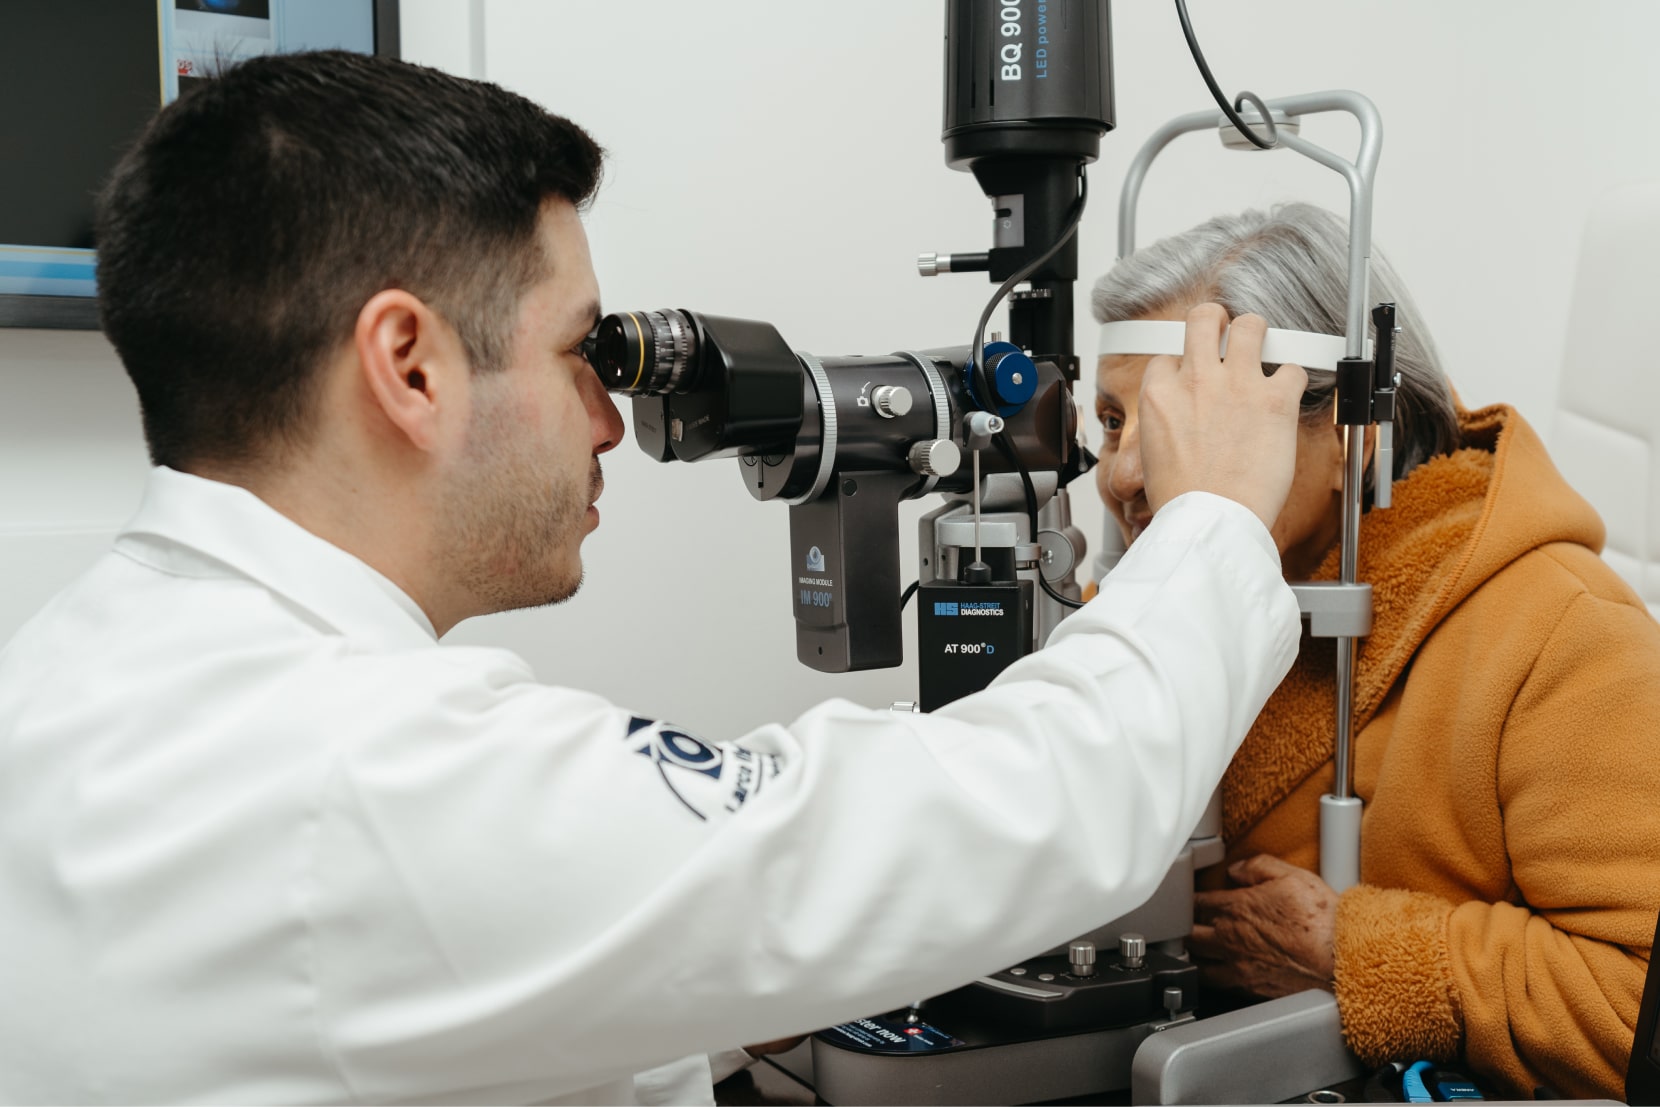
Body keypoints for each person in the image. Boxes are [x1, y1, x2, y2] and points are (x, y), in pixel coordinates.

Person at [0, 51, 1311, 1106]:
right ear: (410, 365)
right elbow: (1036, 805)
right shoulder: (371, 777)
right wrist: (1212, 514)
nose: (611, 420)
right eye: (581, 354)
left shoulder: (70, 671)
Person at [1088, 201, 1660, 1100]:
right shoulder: (1132, 619)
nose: (1122, 473)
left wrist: (1349, 952)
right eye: (1115, 421)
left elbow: (1637, 1004)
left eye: (1177, 420)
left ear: (1349, 433)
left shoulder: (1564, 634)